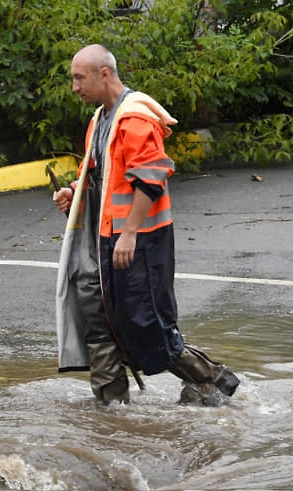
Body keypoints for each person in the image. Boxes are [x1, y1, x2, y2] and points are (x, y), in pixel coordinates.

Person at [53, 44, 239, 405]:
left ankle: (216, 381)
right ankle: (113, 414)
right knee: (101, 325)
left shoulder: (134, 118)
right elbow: (101, 179)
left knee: (145, 327)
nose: (74, 86)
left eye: (79, 77)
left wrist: (130, 232)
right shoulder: (100, 120)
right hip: (105, 243)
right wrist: (73, 193)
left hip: (137, 243)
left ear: (104, 73)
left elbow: (151, 178)